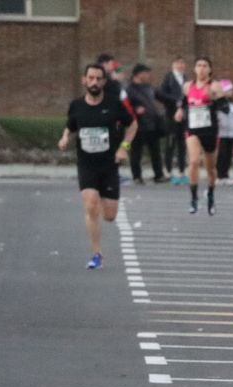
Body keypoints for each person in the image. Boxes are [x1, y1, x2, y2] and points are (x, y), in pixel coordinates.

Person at [58, 63, 136, 270]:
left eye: (98, 79)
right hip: (86, 165)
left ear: (103, 82)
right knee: (91, 204)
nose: (94, 82)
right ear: (84, 80)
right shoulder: (76, 105)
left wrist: (124, 148)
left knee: (110, 216)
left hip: (109, 165)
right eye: (90, 78)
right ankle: (97, 254)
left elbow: (133, 124)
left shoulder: (113, 105)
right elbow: (70, 125)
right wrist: (65, 138)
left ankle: (103, 198)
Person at [177, 56, 223, 215]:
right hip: (193, 129)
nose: (201, 68)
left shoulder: (215, 85)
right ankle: (194, 198)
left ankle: (210, 195)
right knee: (194, 161)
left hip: (210, 130)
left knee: (211, 169)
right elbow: (183, 102)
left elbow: (225, 108)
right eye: (198, 65)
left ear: (210, 69)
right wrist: (180, 110)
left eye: (205, 66)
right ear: (194, 68)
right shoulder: (188, 86)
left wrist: (214, 99)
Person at [126, 63, 167, 184]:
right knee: (136, 152)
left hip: (152, 124)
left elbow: (164, 97)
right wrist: (135, 110)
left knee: (155, 152)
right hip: (137, 126)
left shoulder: (149, 88)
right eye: (146, 73)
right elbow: (124, 107)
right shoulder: (129, 90)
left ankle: (158, 175)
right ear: (138, 74)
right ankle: (137, 176)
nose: (148, 75)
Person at [159, 57, 187, 183]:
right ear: (173, 65)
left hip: (184, 117)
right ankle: (168, 170)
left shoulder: (186, 79)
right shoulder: (168, 78)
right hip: (171, 116)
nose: (180, 65)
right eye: (178, 63)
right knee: (170, 143)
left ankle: (182, 171)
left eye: (182, 63)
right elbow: (161, 94)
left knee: (182, 144)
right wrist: (175, 101)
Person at [216, 78, 233, 182]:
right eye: (228, 90)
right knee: (221, 153)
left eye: (231, 90)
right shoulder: (218, 104)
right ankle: (220, 173)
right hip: (221, 132)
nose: (230, 92)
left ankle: (225, 173)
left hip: (232, 132)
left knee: (229, 153)